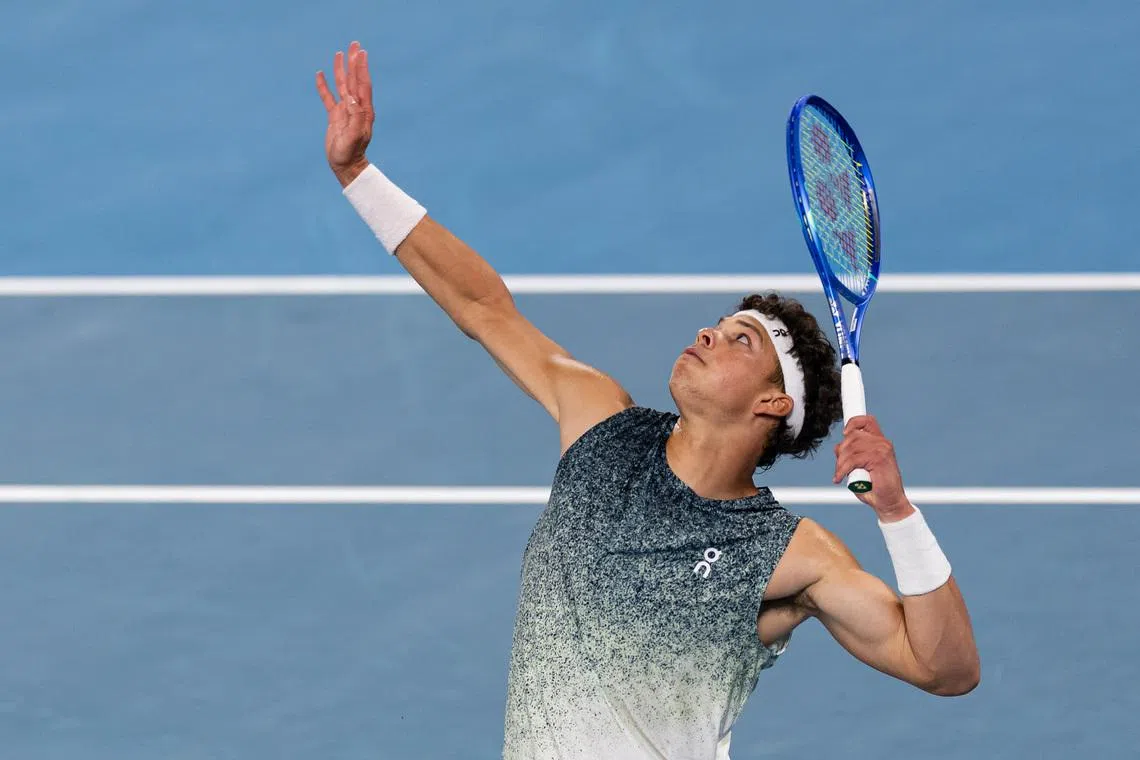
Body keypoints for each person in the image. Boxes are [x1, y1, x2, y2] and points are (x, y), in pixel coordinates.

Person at [316, 41, 979, 760]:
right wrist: (357, 175)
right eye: (719, 325)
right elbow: (485, 308)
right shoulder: (601, 425)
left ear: (770, 405)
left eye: (740, 342)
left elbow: (945, 670)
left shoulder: (790, 555)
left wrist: (896, 514)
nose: (708, 332)